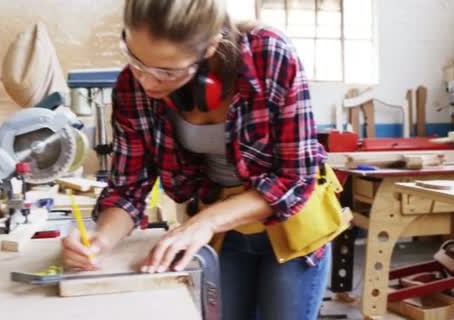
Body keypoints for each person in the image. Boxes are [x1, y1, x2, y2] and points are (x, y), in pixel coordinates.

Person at [61, 1, 340, 319]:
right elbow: (128, 187)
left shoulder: (269, 54)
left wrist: (203, 223)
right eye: (136, 61)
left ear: (209, 48)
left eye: (166, 71)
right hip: (222, 231)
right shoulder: (132, 86)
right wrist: (100, 240)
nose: (147, 82)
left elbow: (295, 178)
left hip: (293, 224)